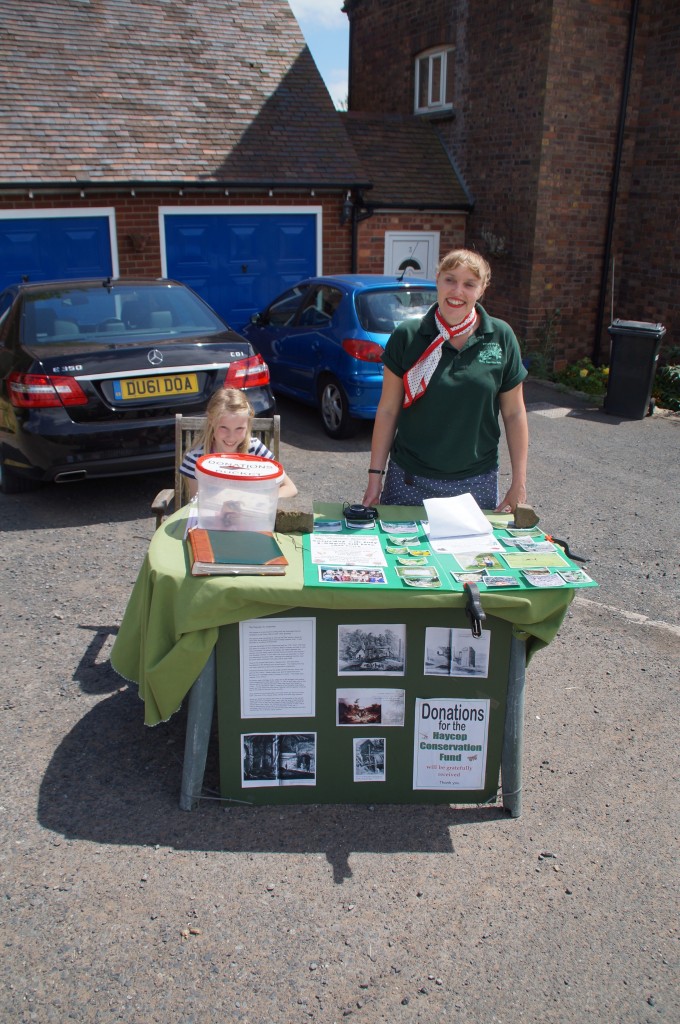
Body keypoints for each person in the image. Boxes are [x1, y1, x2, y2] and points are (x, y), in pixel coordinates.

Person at [362, 248, 528, 513]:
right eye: (450, 280)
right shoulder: (408, 336)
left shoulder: (501, 336)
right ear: (437, 280)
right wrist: (374, 479)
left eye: (469, 284)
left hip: (476, 483)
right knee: (403, 554)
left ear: (482, 289)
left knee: (471, 556)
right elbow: (388, 410)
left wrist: (518, 481)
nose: (457, 291)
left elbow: (515, 413)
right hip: (409, 480)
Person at [180, 388, 298, 499]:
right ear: (211, 421)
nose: (231, 437)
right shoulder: (196, 459)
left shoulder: (256, 450)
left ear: (248, 424)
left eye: (239, 429)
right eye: (224, 427)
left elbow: (290, 488)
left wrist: (260, 499)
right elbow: (198, 503)